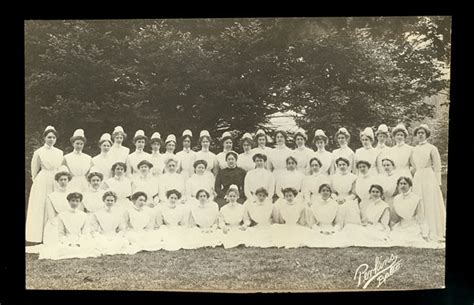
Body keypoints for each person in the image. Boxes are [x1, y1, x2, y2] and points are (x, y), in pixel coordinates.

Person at [26, 126, 64, 243]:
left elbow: (60, 168)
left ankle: (52, 235)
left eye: (53, 137)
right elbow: (34, 170)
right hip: (42, 180)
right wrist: (36, 182)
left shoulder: (59, 152)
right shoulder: (39, 152)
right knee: (40, 205)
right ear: (44, 138)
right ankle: (37, 236)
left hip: (56, 180)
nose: (51, 139)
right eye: (49, 137)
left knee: (54, 205)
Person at [410, 124, 446, 242]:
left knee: (429, 201)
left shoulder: (432, 148)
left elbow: (437, 167)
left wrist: (437, 183)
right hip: (418, 176)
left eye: (422, 133)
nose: (420, 135)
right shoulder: (414, 149)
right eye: (418, 133)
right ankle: (421, 230)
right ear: (416, 135)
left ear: (426, 135)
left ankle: (433, 230)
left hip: (429, 177)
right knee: (419, 201)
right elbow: (413, 165)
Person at [38, 192, 99, 260]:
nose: (75, 203)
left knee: (90, 248)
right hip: (66, 240)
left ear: (80, 202)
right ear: (69, 201)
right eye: (73, 200)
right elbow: (61, 233)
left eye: (77, 201)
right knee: (61, 250)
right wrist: (68, 243)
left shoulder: (84, 215)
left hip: (80, 240)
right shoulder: (62, 215)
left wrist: (78, 242)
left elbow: (85, 233)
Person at [390, 177, 432, 247]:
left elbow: (421, 217)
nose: (402, 186)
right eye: (401, 184)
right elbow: (396, 216)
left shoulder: (416, 198)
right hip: (401, 225)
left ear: (410, 186)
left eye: (405, 184)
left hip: (413, 225)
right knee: (394, 237)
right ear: (398, 186)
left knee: (411, 238)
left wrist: (424, 233)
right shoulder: (396, 198)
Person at [89, 191, 130, 255]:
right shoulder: (97, 213)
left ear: (115, 201)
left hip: (115, 236)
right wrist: (100, 236)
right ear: (104, 200)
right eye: (108, 200)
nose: (110, 202)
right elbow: (94, 230)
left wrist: (117, 236)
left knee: (123, 242)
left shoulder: (119, 213)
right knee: (97, 243)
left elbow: (122, 229)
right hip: (102, 236)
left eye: (112, 200)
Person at [42, 167, 73, 246]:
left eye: (65, 179)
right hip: (57, 220)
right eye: (61, 180)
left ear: (68, 180)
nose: (63, 182)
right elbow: (51, 215)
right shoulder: (51, 196)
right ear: (57, 181)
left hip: (70, 218)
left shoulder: (72, 194)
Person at [331, 157, 361, 227]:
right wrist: (336, 199)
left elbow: (354, 193)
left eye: (343, 164)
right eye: (340, 165)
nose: (342, 166)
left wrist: (345, 200)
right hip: (337, 199)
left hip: (349, 199)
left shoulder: (353, 177)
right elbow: (332, 192)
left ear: (347, 165)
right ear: (337, 166)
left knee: (348, 208)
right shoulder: (333, 177)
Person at [377, 158, 401, 225]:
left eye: (388, 165)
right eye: (384, 165)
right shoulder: (381, 177)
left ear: (393, 166)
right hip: (385, 200)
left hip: (395, 200)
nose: (386, 167)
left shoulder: (397, 176)